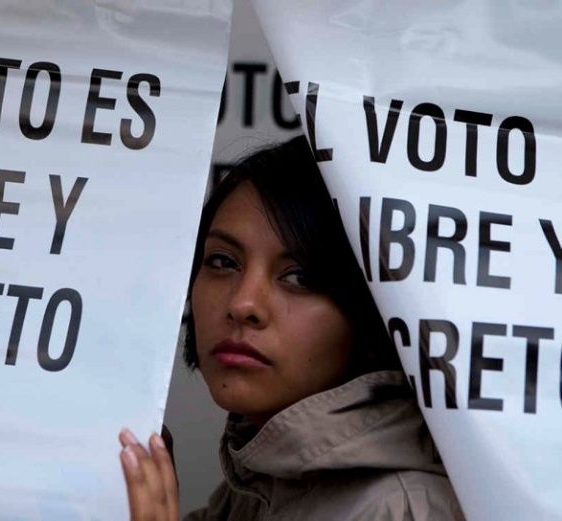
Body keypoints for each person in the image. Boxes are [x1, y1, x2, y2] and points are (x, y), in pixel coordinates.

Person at [118, 136, 465, 520]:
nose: (242, 304)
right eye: (222, 262)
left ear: (370, 309)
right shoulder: (258, 484)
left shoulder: (398, 509)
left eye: (298, 277)